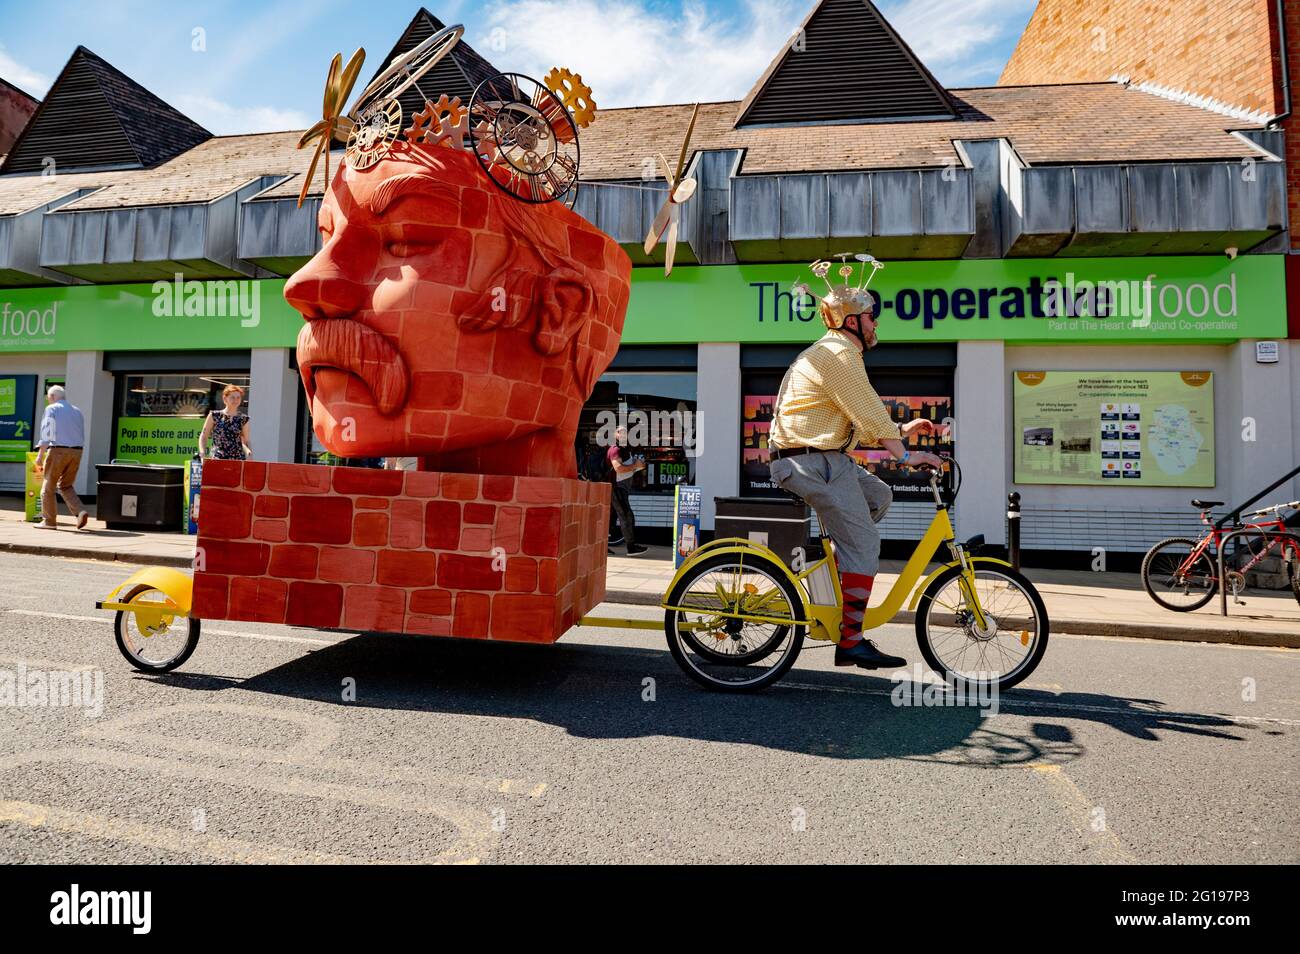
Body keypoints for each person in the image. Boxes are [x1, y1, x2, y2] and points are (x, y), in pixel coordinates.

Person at [768, 257, 943, 671]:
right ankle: (850, 640)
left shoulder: (837, 354)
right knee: (865, 544)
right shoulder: (838, 353)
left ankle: (844, 561)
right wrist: (905, 454)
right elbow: (865, 411)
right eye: (871, 317)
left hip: (823, 459)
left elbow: (858, 418)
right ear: (851, 322)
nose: (876, 325)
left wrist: (899, 429)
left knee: (879, 495)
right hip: (811, 462)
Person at [34, 385, 88, 530]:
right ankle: (80, 511)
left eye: (48, 397)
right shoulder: (77, 411)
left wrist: (40, 455)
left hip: (58, 451)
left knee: (48, 487)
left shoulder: (52, 409)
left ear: (52, 397)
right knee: (65, 485)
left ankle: (49, 521)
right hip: (77, 452)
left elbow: (47, 433)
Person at [607, 425, 648, 555]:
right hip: (616, 488)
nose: (624, 435)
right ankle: (631, 547)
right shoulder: (615, 449)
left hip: (621, 489)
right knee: (627, 516)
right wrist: (635, 465)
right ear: (616, 435)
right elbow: (618, 468)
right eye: (621, 432)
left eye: (626, 433)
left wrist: (637, 466)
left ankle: (603, 546)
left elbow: (628, 467)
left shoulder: (625, 449)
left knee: (611, 519)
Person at [198, 385, 251, 460]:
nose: (236, 400)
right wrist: (202, 452)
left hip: (237, 459)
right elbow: (204, 436)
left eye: (238, 397)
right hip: (217, 458)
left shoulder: (244, 419)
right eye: (232, 397)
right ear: (225, 399)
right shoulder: (214, 415)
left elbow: (245, 441)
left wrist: (249, 453)